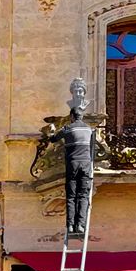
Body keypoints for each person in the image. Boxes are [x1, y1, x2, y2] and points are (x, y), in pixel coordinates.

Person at [50, 81, 95, 238]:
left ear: (71, 116)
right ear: (82, 116)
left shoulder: (68, 128)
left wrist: (52, 131)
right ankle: (81, 225)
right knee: (83, 196)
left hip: (72, 164)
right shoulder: (89, 129)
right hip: (86, 165)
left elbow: (53, 139)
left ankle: (70, 225)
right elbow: (94, 147)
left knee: (71, 196)